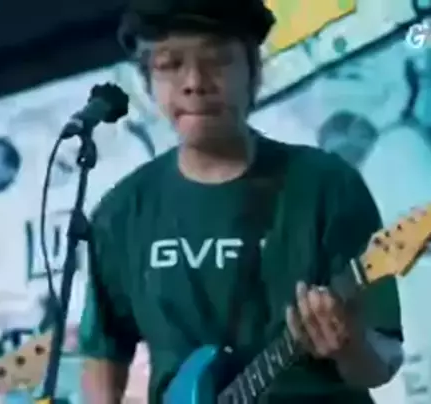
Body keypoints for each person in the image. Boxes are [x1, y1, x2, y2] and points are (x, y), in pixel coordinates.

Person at [78, 0, 405, 402]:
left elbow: (383, 361)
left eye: (217, 60)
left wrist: (347, 345)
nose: (194, 82)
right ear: (148, 84)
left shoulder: (328, 185)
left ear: (254, 72)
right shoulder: (121, 212)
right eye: (169, 64)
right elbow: (103, 353)